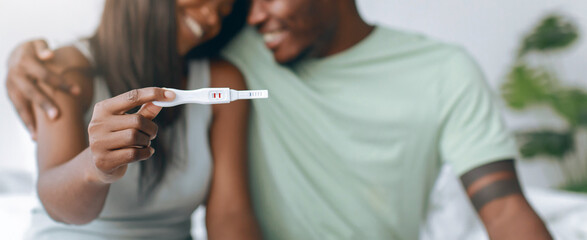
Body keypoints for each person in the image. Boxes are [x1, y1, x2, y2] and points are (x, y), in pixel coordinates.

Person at [5, 0, 552, 239]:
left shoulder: (442, 71)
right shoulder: (238, 49)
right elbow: (126, 41)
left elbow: (503, 207)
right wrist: (23, 58)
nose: (248, 16)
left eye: (230, 6)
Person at [5, 0, 261, 239]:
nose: (211, 19)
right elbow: (59, 206)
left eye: (223, 12)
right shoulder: (64, 70)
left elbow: (230, 214)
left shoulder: (222, 83)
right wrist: (95, 167)